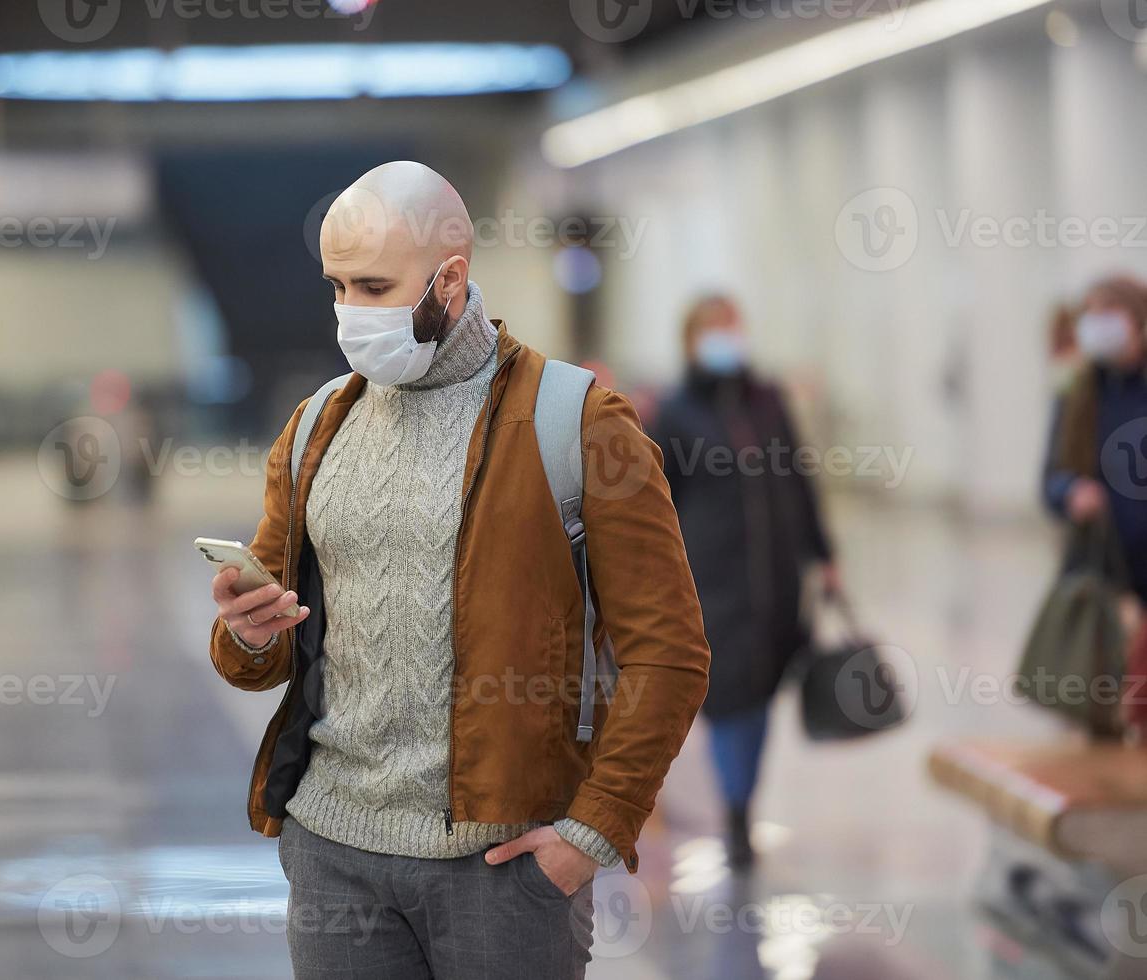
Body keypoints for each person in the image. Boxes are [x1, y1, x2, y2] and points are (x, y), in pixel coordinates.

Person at [206, 161, 710, 978]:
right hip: (334, 855)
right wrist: (248, 631)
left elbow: (669, 651)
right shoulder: (314, 430)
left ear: (450, 279)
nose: (350, 314)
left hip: (503, 872)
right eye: (335, 286)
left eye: (374, 287)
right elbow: (262, 651)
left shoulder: (577, 422)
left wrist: (591, 834)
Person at [649, 294, 838, 869]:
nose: (728, 338)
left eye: (734, 326)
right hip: (713, 581)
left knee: (759, 697)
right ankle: (734, 814)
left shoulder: (768, 401)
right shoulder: (676, 412)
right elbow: (655, 498)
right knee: (730, 695)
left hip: (776, 581)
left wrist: (823, 553)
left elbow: (799, 480)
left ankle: (741, 799)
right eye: (715, 329)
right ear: (691, 341)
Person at [1043, 275, 1147, 605]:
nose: (1098, 322)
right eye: (1091, 312)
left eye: (1109, 310)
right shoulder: (1077, 393)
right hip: (1099, 577)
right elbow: (1049, 482)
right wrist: (1071, 491)